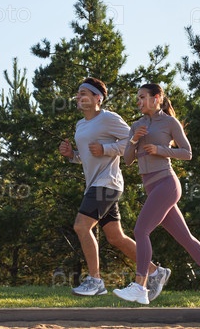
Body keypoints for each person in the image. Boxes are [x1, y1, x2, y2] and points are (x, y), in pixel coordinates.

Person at [112, 83, 200, 306]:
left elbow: (187, 153)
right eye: (137, 98)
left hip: (166, 184)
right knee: (185, 238)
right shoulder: (136, 125)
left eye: (142, 97)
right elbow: (127, 160)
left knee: (140, 230)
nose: (138, 102)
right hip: (152, 187)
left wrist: (160, 150)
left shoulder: (169, 123)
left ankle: (140, 286)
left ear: (157, 97)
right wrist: (134, 139)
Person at [58, 77, 171, 301]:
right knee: (116, 237)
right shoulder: (80, 125)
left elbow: (133, 141)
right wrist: (72, 155)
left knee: (81, 226)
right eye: (78, 93)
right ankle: (155, 271)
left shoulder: (109, 118)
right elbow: (88, 155)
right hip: (94, 184)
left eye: (83, 93)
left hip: (107, 182)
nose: (78, 97)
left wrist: (106, 148)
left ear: (97, 98)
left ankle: (95, 281)